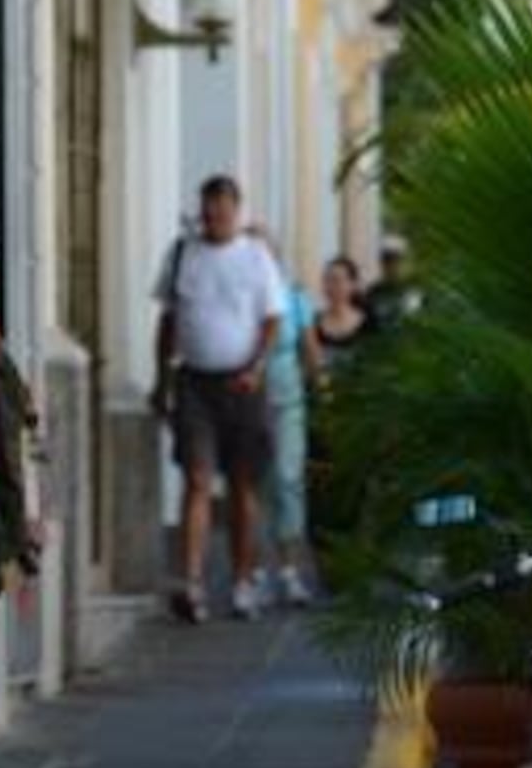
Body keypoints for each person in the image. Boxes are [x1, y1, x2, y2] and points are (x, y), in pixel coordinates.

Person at [151, 175, 289, 623]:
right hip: (194, 382)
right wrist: (161, 381)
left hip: (242, 384)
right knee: (196, 479)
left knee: (241, 485)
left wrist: (257, 366)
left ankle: (242, 580)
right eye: (209, 212)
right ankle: (190, 582)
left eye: (223, 212)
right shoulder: (182, 255)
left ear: (237, 210)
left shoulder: (255, 257)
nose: (215, 220)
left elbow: (272, 319)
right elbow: (168, 321)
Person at [248, 226, 321, 609]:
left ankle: (290, 571)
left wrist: (322, 391)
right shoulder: (242, 299)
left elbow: (310, 350)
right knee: (254, 484)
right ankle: (255, 571)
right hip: (248, 399)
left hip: (288, 397)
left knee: (289, 480)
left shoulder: (293, 298)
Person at [312, 254, 372, 378]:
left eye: (336, 280)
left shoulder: (369, 323)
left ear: (353, 285)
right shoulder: (314, 322)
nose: (330, 286)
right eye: (327, 280)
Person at [362, 234, 422, 332]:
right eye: (388, 260)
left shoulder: (419, 292)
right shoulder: (372, 294)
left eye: (399, 260)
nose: (394, 266)